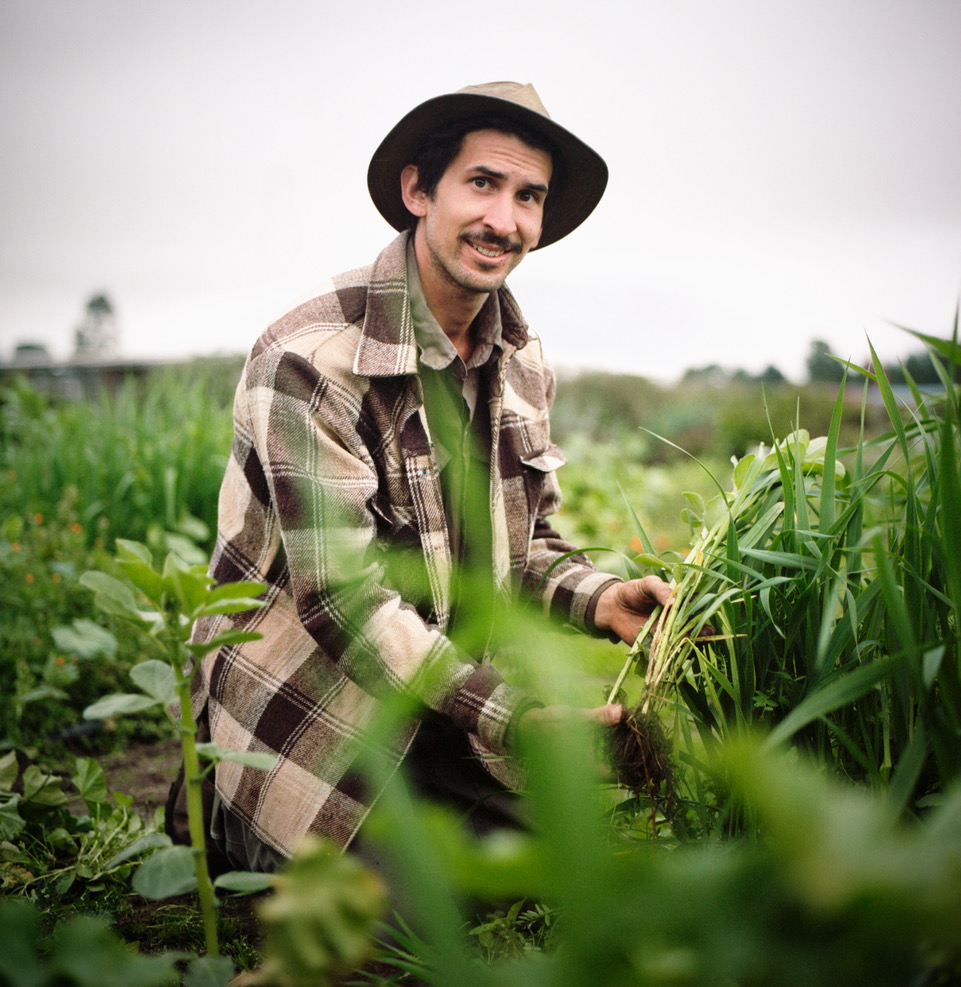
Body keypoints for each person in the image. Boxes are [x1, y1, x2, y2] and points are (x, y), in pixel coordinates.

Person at [169, 81, 672, 875]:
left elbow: (526, 541)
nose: (503, 220)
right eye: (482, 183)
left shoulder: (521, 359)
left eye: (527, 196)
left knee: (563, 864)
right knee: (399, 921)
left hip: (445, 697)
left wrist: (605, 597)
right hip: (314, 710)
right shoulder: (311, 358)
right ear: (417, 190)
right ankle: (217, 805)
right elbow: (343, 601)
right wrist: (515, 715)